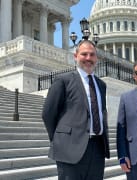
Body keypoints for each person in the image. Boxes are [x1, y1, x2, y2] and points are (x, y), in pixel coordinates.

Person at [42, 40, 110, 180]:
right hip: (70, 149)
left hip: (97, 149)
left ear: (96, 58)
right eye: (84, 54)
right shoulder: (63, 80)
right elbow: (48, 114)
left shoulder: (101, 85)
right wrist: (60, 140)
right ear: (76, 56)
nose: (88, 58)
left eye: (92, 55)